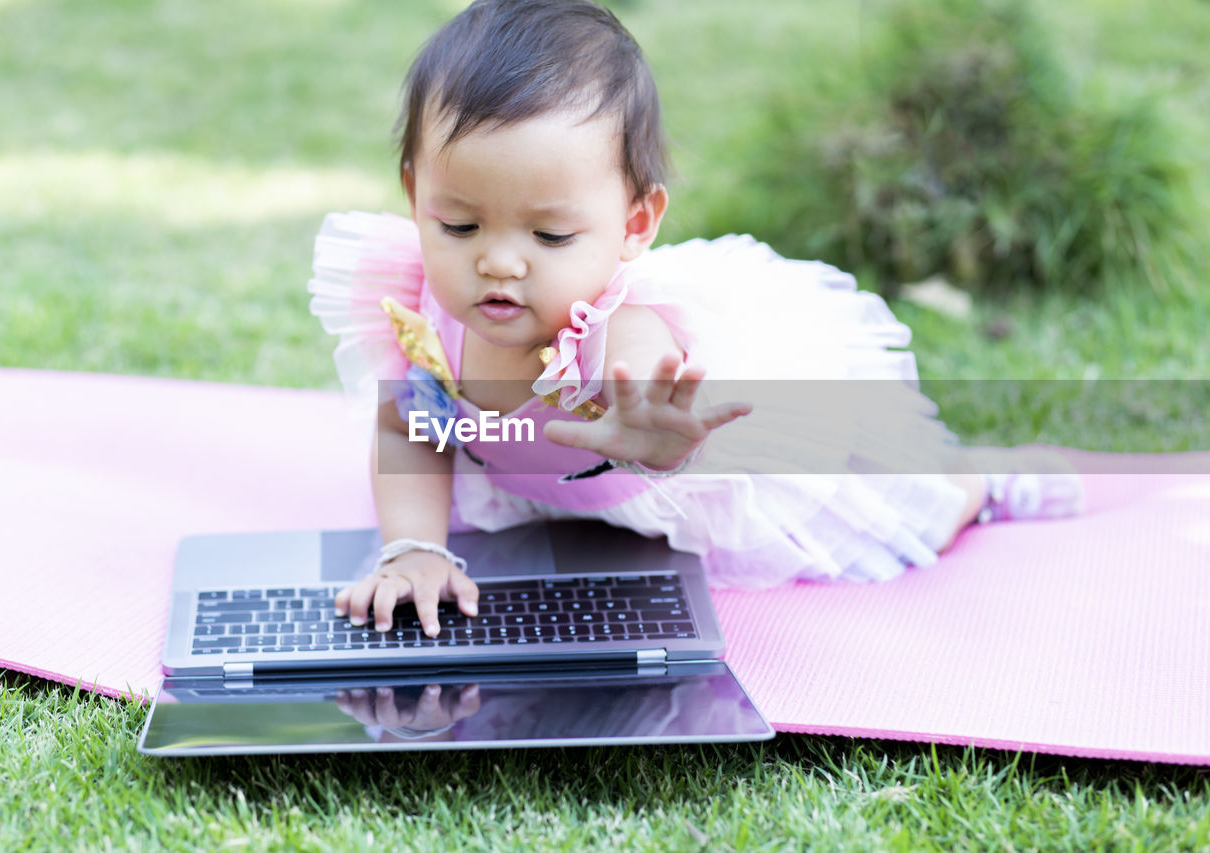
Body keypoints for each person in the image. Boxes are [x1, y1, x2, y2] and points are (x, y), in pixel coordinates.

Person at [307, 0, 1083, 637]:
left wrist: (654, 433)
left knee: (899, 509)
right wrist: (412, 548)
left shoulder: (617, 326)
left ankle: (978, 482)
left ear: (635, 223)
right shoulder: (418, 306)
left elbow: (642, 368)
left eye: (549, 235)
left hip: (714, 476)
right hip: (555, 489)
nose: (500, 262)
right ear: (416, 197)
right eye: (460, 225)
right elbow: (412, 426)